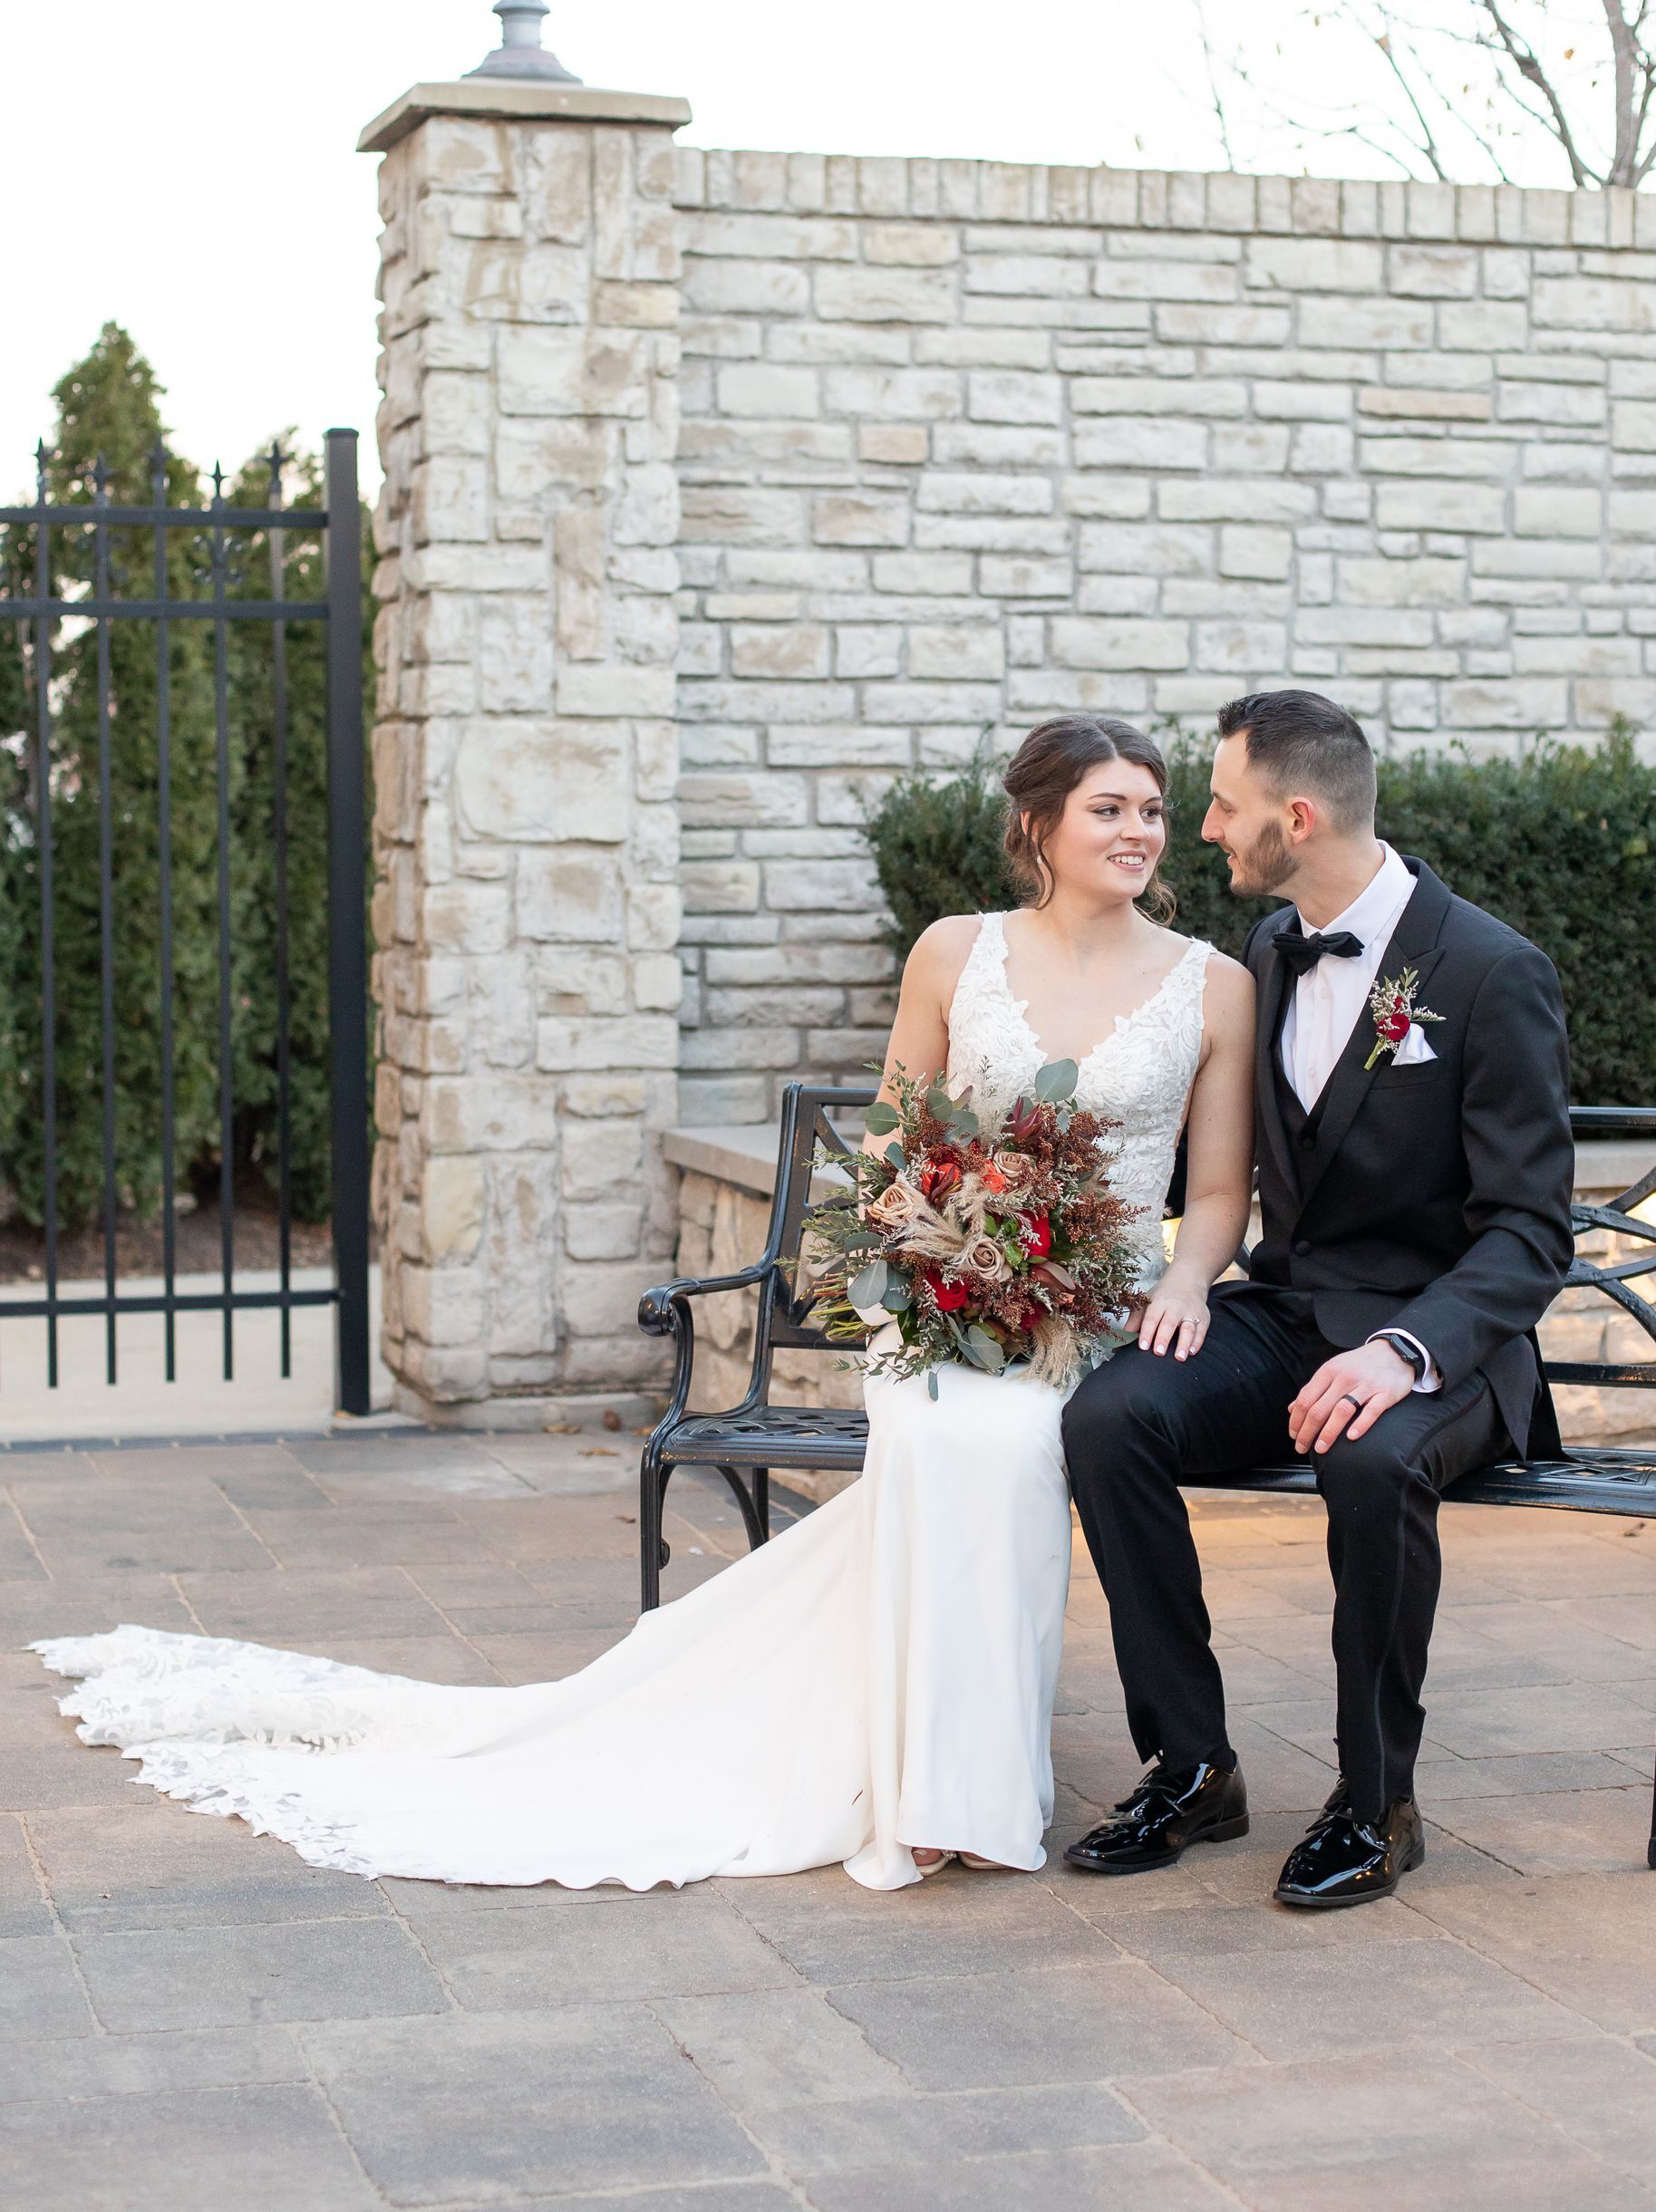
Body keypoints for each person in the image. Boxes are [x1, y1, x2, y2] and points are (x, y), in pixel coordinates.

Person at [33, 713, 1255, 1898]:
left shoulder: (1212, 986)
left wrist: (1190, 1278)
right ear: (1039, 824)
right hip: (946, 1295)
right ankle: (944, 1798)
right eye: (1110, 809)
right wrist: (934, 1251)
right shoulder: (955, 951)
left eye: (1153, 810)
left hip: (1095, 1306)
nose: (1141, 829)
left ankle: (962, 1780)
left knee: (1014, 1443)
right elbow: (896, 1137)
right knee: (942, 1435)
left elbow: (1211, 1189)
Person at [1063, 689, 1575, 1910]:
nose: (1206, 832)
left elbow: (1529, 1230)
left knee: (1368, 1460)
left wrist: (1408, 1350)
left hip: (1440, 1344)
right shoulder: (1265, 952)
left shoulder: (1492, 972)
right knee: (1108, 1417)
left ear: (1296, 817)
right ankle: (1191, 1768)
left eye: (1225, 807)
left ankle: (1374, 1802)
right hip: (1288, 1316)